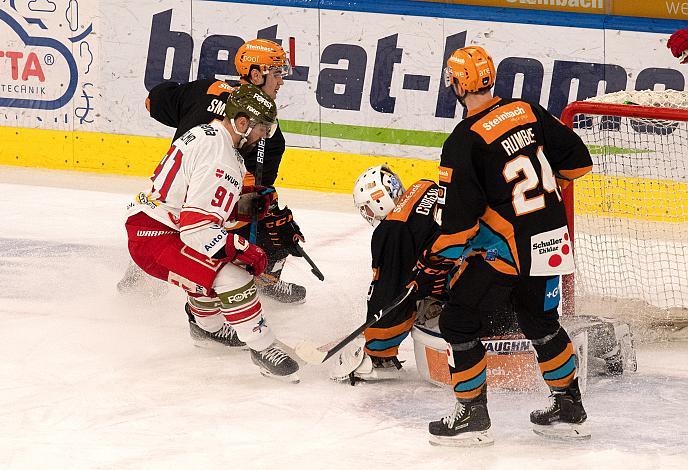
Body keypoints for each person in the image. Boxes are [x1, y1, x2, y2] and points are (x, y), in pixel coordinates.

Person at [408, 46, 593, 446]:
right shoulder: (527, 110)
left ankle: (472, 415)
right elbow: (579, 164)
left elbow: (458, 226)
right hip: (552, 240)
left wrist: (434, 261)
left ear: (457, 84)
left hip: (510, 251)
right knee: (540, 321)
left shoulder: (464, 140)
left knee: (458, 320)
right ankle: (569, 406)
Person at [124, 84, 300, 383]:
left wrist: (242, 203)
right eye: (261, 130)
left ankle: (207, 329)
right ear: (242, 123)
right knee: (233, 275)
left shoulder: (209, 133)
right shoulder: (222, 158)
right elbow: (197, 230)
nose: (262, 138)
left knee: (204, 271)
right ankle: (262, 347)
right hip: (158, 234)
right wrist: (245, 249)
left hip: (152, 224)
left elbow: (193, 199)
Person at [119, 38, 307, 307]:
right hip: (206, 211)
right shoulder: (269, 134)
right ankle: (264, 280)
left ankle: (138, 274)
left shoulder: (204, 88)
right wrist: (269, 210)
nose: (281, 82)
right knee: (274, 226)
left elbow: (154, 101)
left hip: (166, 202)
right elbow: (249, 198)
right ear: (256, 74)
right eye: (276, 74)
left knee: (166, 219)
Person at [329, 165, 444, 384]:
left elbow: (387, 289)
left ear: (379, 200)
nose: (367, 215)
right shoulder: (421, 192)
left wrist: (376, 346)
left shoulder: (391, 232)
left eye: (367, 208)